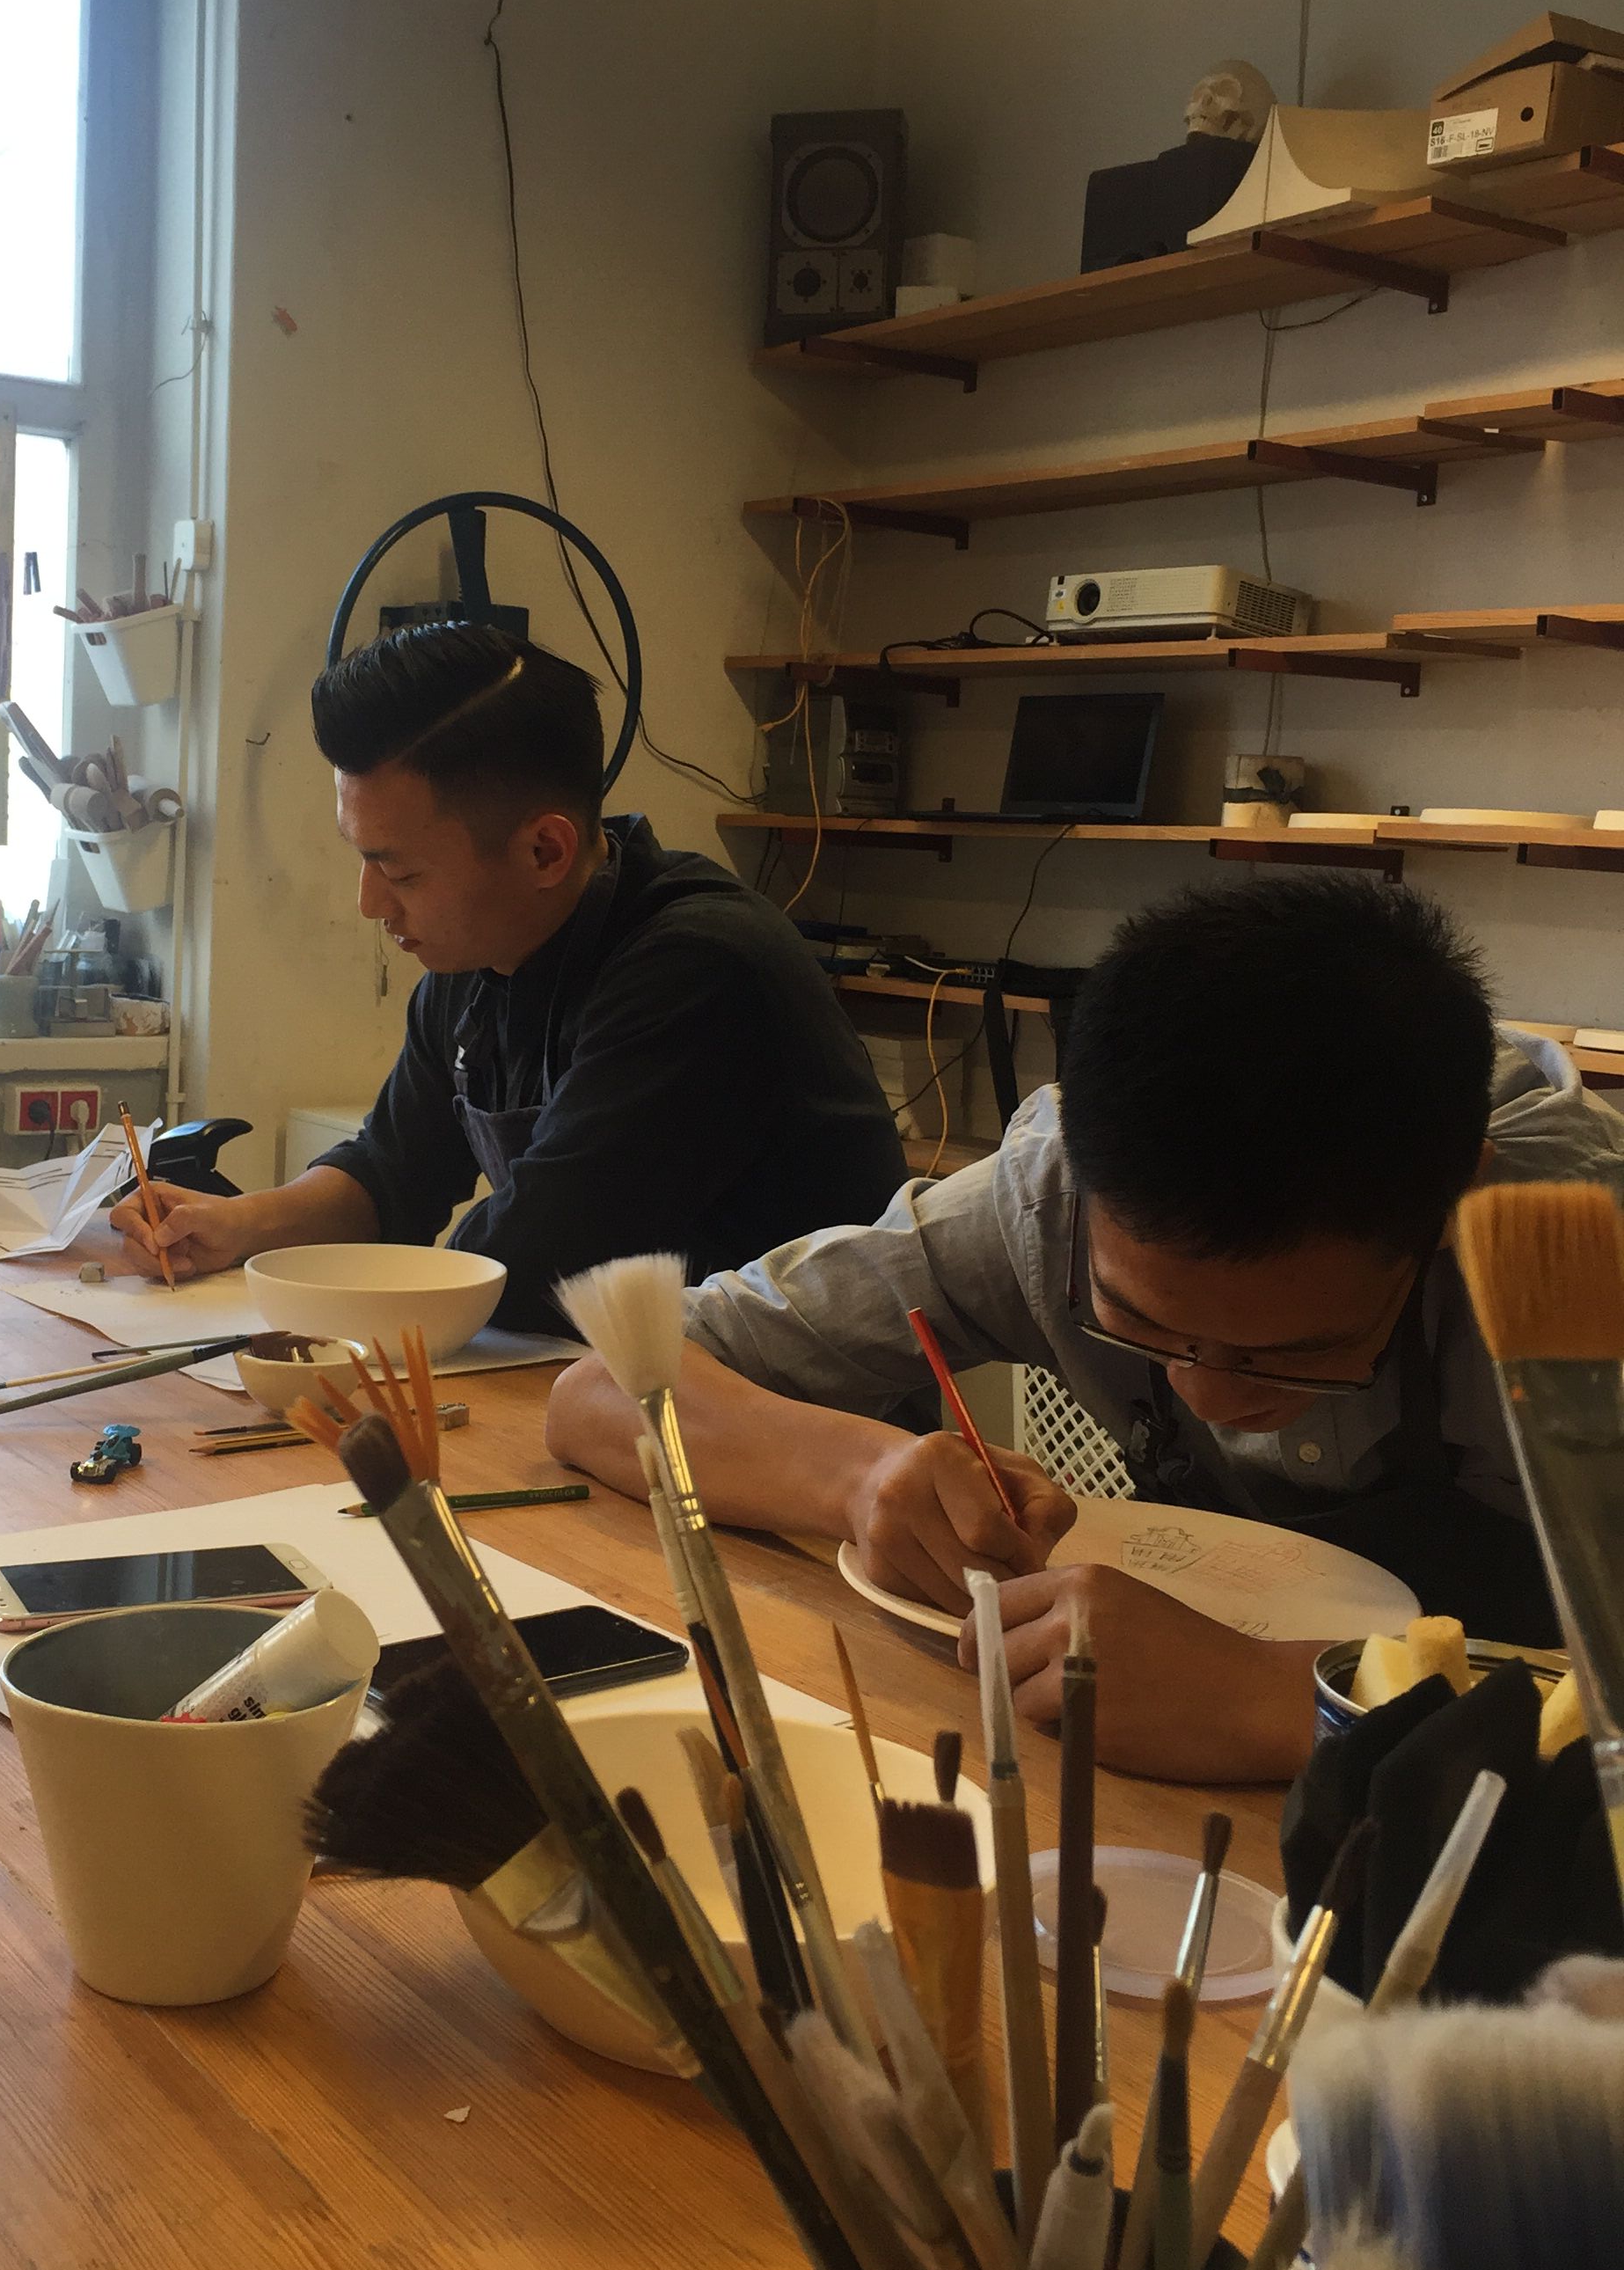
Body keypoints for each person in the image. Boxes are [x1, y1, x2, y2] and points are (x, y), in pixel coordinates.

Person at [547, 875, 1624, 1783]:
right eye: (1143, 1325)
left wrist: (1286, 1705)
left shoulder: (1586, 1254)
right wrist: (861, 1478)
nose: (1207, 1396)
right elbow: (604, 1388)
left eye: (1298, 1353)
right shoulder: (1051, 1197)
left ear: (1453, 1200)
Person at [113, 622, 906, 1329]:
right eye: (363, 859)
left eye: (402, 873)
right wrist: (240, 1225)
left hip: (798, 1419)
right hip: (619, 1384)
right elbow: (393, 1173)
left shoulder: (699, 970)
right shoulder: (478, 956)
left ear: (544, 851)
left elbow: (531, 1263)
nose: (369, 904)